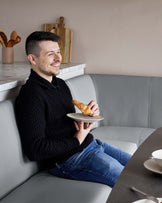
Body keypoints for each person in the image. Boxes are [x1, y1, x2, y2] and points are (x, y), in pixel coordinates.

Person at [15, 31, 131, 188]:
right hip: (67, 160)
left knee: (140, 167)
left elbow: (61, 124)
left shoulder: (61, 84)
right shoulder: (31, 95)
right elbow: (36, 149)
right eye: (50, 54)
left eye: (58, 52)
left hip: (91, 144)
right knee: (130, 184)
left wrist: (87, 116)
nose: (58, 59)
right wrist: (76, 140)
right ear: (32, 59)